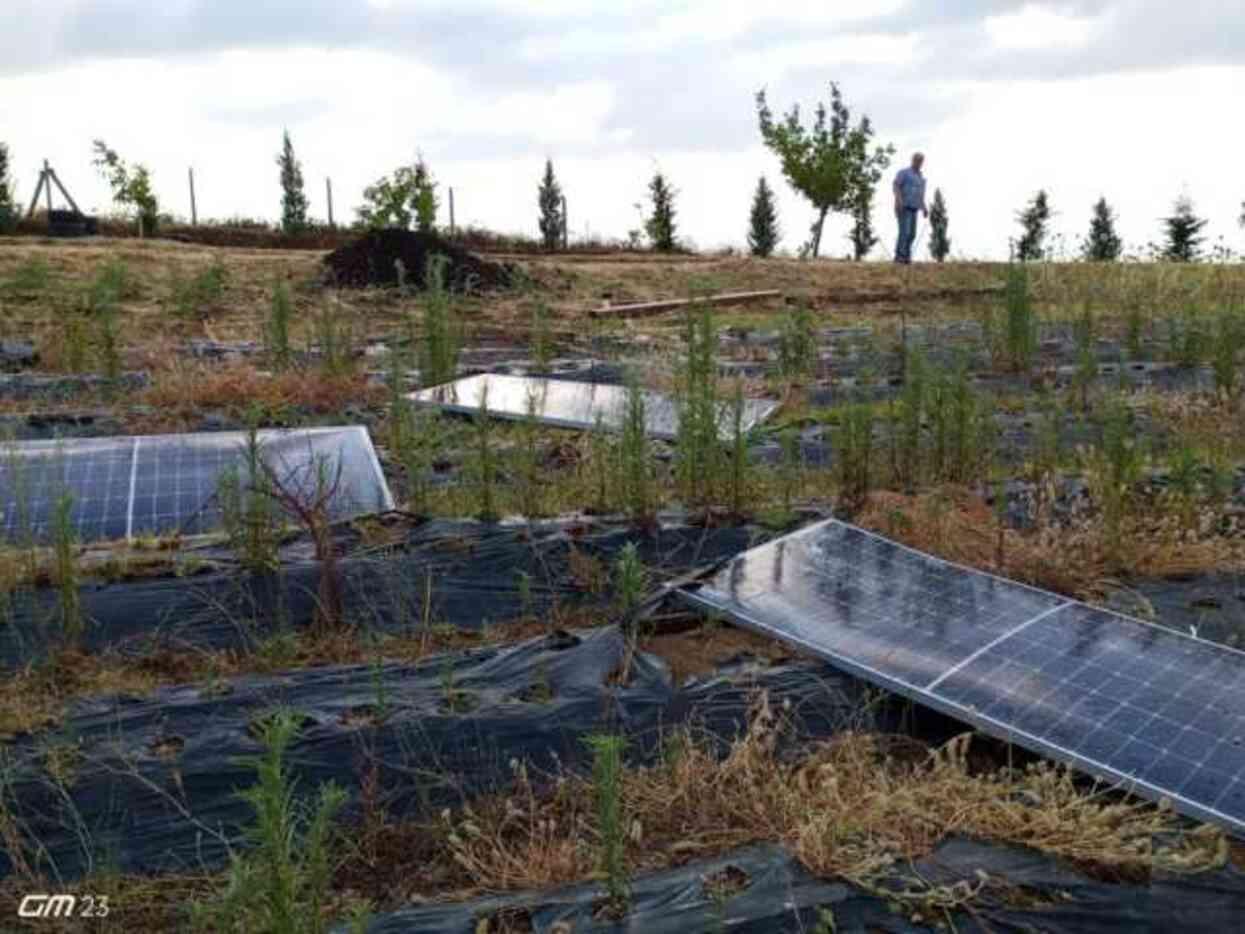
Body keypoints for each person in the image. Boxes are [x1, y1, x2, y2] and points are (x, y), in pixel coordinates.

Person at [893, 152, 928, 264]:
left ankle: (906, 256)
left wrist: (924, 207)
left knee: (912, 234)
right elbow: (896, 185)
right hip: (903, 206)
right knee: (904, 232)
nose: (918, 162)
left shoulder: (921, 177)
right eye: (916, 160)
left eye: (920, 160)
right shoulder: (904, 173)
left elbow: (921, 194)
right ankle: (899, 256)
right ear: (912, 160)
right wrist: (899, 200)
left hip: (914, 208)